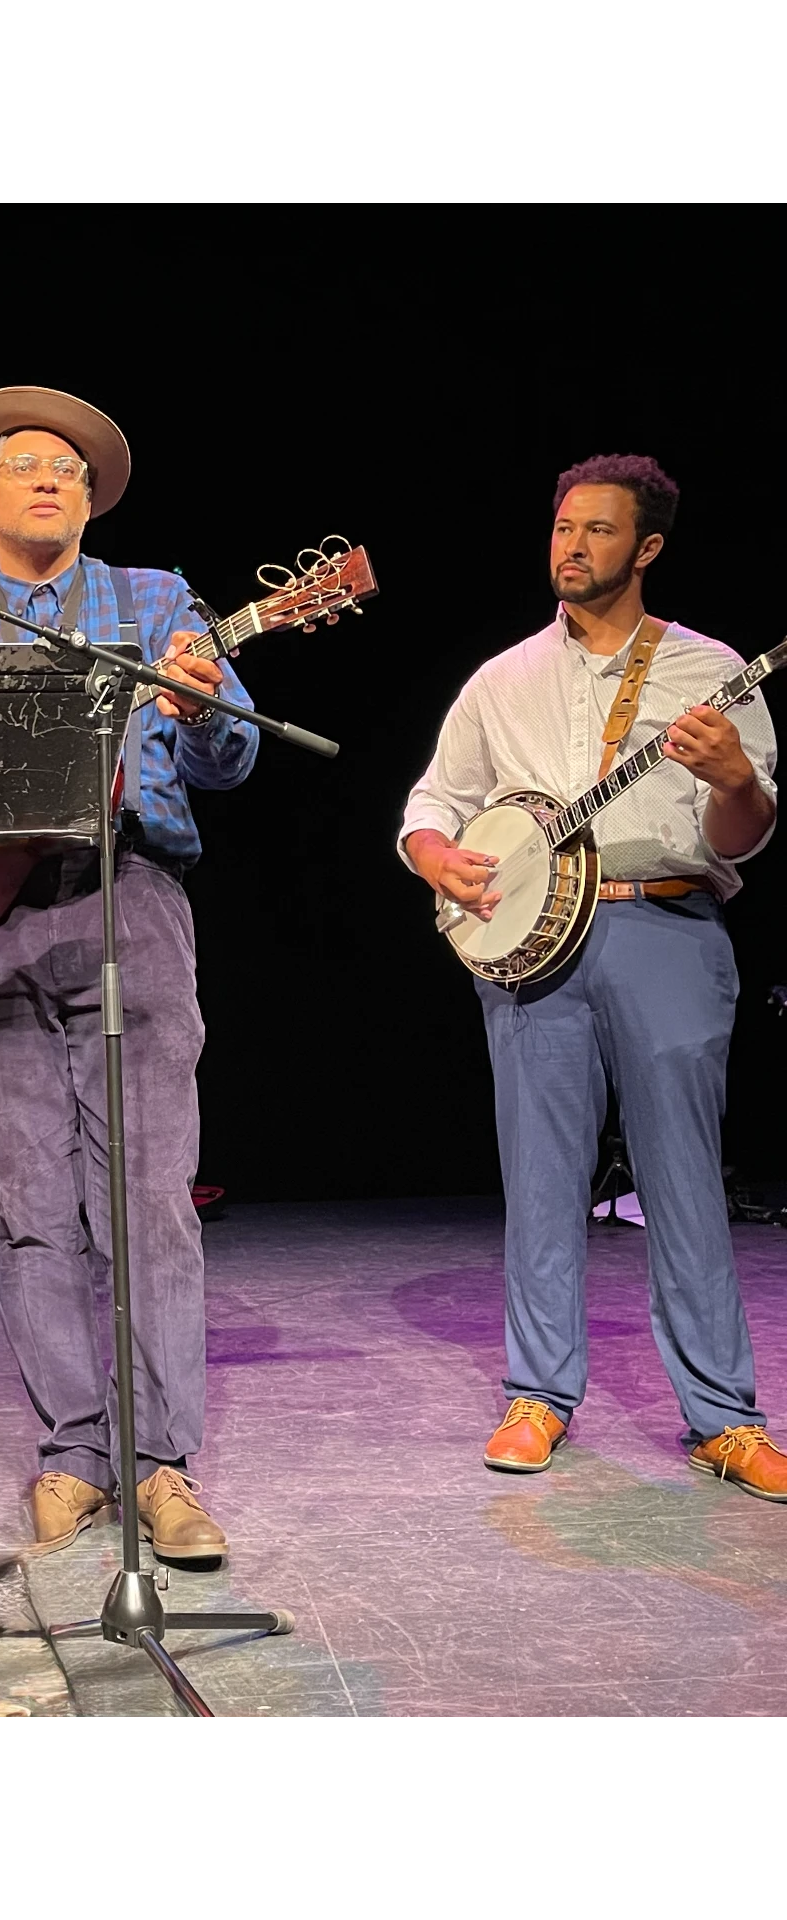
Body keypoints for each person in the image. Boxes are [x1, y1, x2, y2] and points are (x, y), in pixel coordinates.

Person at [400, 453, 785, 1498]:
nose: (573, 546)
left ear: (647, 547)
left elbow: (742, 838)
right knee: (540, 1178)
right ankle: (539, 1395)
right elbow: (432, 806)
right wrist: (437, 859)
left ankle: (724, 1416)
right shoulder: (503, 679)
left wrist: (734, 777)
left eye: (600, 531)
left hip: (666, 927)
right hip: (533, 951)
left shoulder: (709, 672)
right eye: (564, 527)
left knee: (683, 1181)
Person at [0, 387, 258, 1560]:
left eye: (68, 470)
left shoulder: (158, 600)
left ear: (88, 500)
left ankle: (163, 1464)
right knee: (32, 1212)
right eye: (24, 464)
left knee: (149, 1202)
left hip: (131, 899)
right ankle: (75, 1453)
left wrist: (205, 697)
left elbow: (228, 759)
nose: (47, 479)